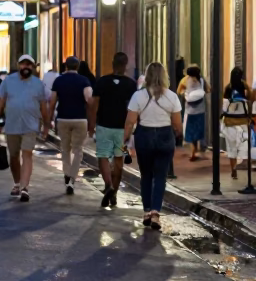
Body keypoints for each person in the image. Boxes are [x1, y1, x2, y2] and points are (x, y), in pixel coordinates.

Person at [123, 62, 181, 230]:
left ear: (146, 76)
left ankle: (147, 211)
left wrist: (124, 141)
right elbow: (177, 124)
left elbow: (129, 122)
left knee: (146, 176)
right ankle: (156, 212)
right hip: (164, 136)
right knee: (160, 176)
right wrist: (176, 136)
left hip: (144, 136)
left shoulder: (138, 96)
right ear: (164, 76)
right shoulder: (172, 97)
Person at [0, 55, 49, 203]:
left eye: (29, 65)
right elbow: (0, 102)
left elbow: (43, 106)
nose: (26, 67)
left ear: (33, 67)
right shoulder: (8, 81)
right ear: (18, 65)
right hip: (12, 126)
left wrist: (47, 126)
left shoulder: (38, 84)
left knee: (27, 154)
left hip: (31, 126)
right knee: (14, 156)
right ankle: (17, 183)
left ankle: (24, 188)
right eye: (23, 64)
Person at [90, 52, 137, 209]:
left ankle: (108, 184)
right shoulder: (131, 85)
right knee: (118, 159)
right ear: (125, 65)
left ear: (112, 64)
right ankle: (114, 193)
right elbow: (133, 109)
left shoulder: (102, 82)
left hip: (103, 125)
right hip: (121, 129)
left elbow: (94, 104)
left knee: (103, 156)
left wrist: (91, 124)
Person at [48, 56, 93, 195]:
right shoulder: (84, 80)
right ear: (78, 67)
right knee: (78, 150)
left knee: (65, 149)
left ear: (66, 66)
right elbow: (89, 101)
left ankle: (66, 174)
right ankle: (72, 179)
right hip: (80, 119)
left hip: (63, 118)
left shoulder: (58, 80)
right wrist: (92, 122)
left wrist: (50, 119)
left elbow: (52, 101)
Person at [222, 67, 253, 181]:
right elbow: (250, 100)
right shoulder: (244, 88)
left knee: (231, 148)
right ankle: (244, 165)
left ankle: (233, 170)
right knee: (244, 146)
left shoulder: (227, 88)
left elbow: (224, 107)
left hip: (230, 122)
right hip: (243, 122)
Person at [176, 64, 209, 161]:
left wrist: (186, 93)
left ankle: (193, 151)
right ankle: (198, 148)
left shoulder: (185, 80)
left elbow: (179, 91)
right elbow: (208, 89)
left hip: (190, 110)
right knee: (198, 130)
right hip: (201, 110)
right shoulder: (202, 80)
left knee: (191, 131)